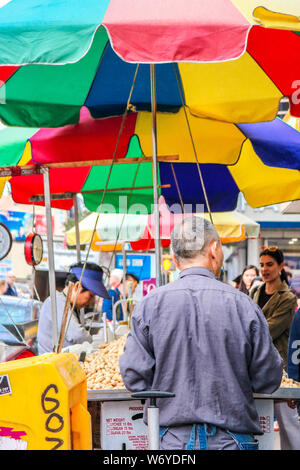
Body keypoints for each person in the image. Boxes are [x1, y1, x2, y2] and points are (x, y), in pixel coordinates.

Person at [119, 216, 283, 450]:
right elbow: (269, 378)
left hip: (170, 442)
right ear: (215, 250)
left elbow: (134, 378)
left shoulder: (148, 305)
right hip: (232, 439)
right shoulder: (243, 305)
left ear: (175, 259)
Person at [249, 246, 300, 450]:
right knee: (261, 421)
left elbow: (268, 331)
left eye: (269, 264)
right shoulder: (255, 291)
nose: (264, 269)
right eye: (261, 265)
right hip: (255, 366)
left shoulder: (287, 298)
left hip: (282, 368)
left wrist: (245, 333)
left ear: (280, 266)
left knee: (288, 423)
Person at [37, 262, 110, 354]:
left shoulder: (68, 303)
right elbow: (77, 335)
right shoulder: (57, 302)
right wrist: (95, 343)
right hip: (52, 364)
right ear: (77, 286)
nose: (90, 302)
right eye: (91, 296)